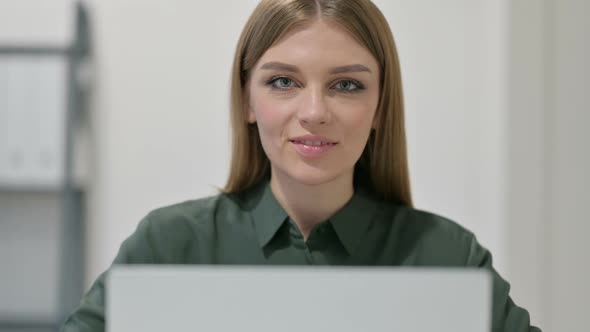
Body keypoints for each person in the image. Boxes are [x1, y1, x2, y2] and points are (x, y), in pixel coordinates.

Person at [61, 0, 541, 331]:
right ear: (247, 99)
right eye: (283, 82)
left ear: (380, 107)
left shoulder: (448, 258)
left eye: (347, 86)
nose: (314, 112)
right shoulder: (169, 246)